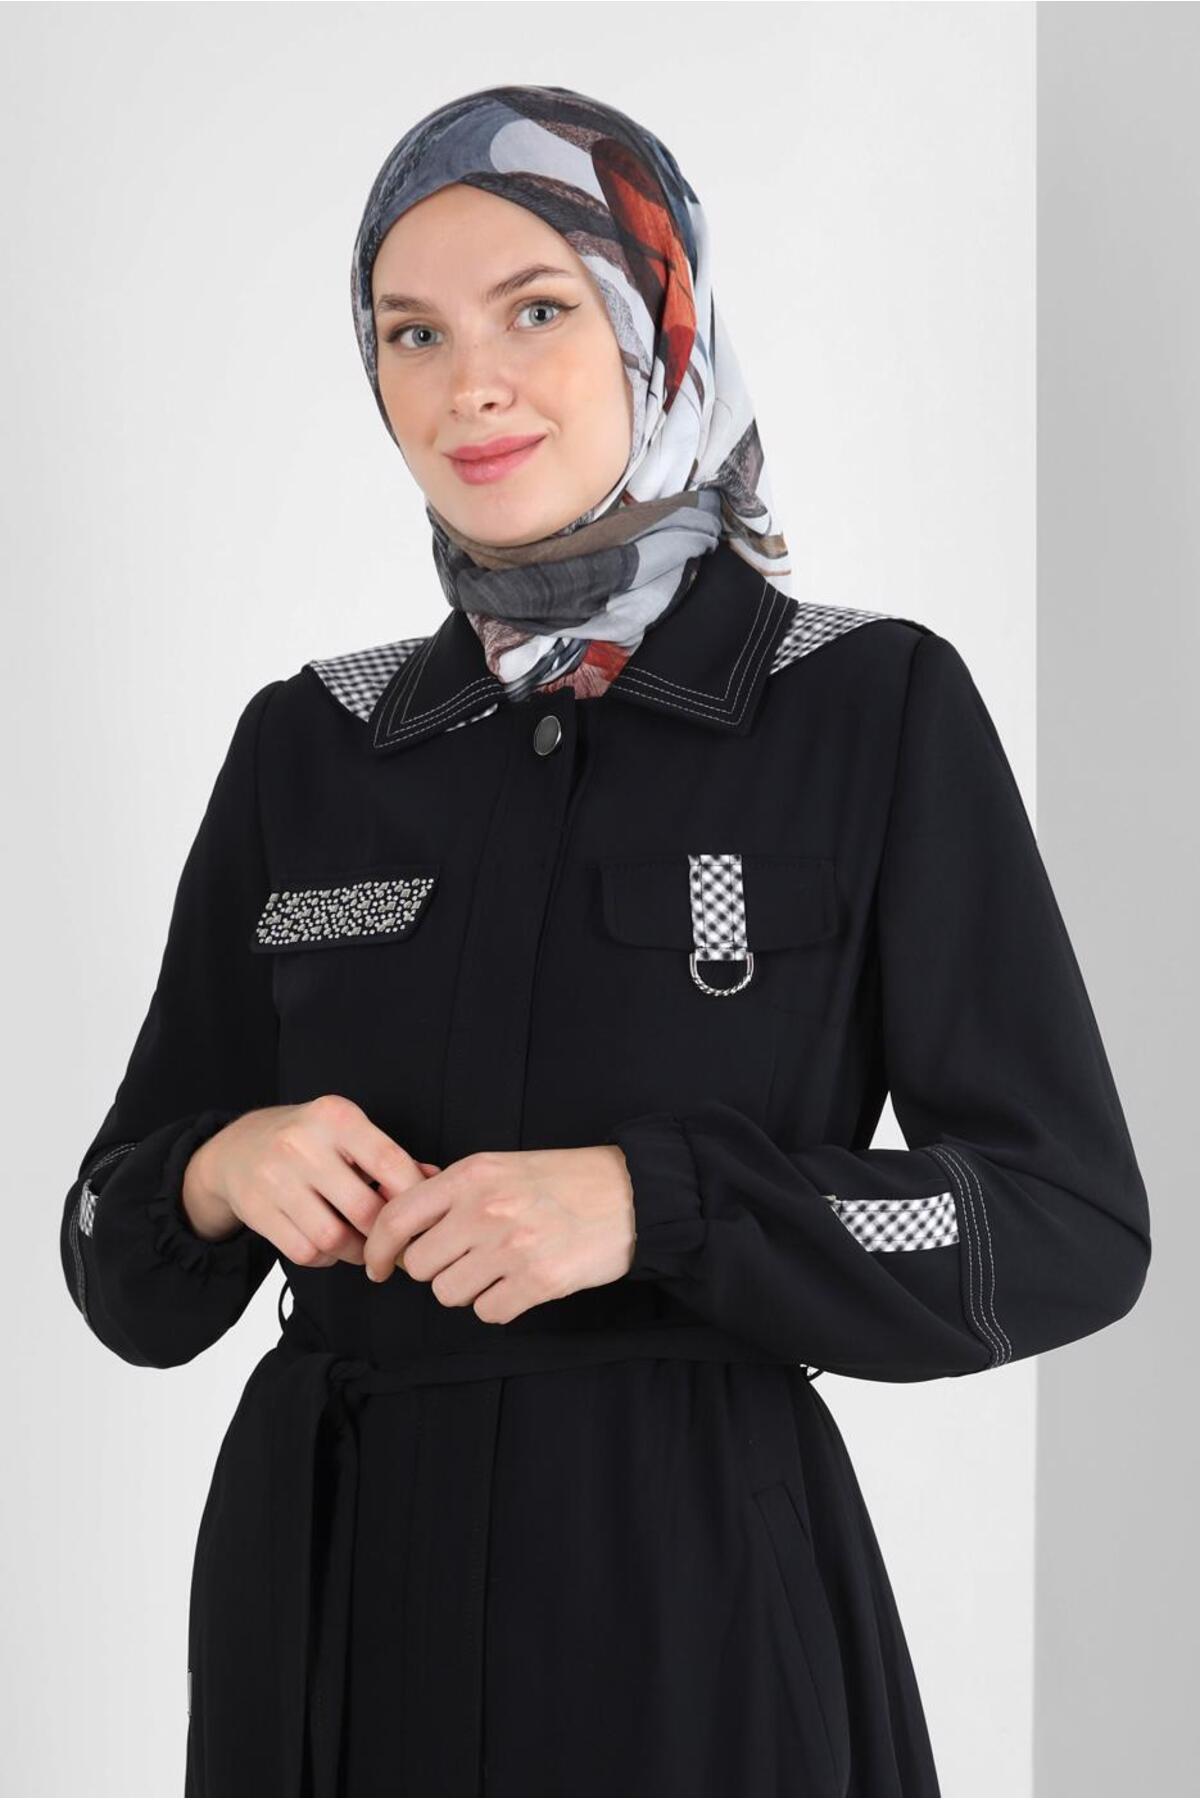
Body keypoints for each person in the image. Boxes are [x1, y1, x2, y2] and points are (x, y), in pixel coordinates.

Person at [60, 84, 1151, 1799]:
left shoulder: (864, 707)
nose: (468, 385)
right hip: (325, 1627)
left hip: (689, 1619)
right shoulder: (311, 747)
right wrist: (215, 1169)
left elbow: (1064, 1223)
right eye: (412, 333)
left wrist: (664, 1203)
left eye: (537, 311)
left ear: (662, 323)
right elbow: (112, 1253)